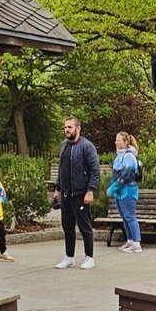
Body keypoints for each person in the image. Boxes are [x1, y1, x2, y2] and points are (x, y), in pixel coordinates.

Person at [53, 114, 100, 269]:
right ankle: (69, 257)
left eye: (70, 127)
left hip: (81, 193)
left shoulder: (87, 146)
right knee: (67, 226)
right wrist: (57, 188)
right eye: (65, 127)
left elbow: (94, 170)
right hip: (66, 194)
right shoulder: (64, 145)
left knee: (84, 226)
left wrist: (90, 190)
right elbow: (61, 169)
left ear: (78, 128)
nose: (67, 130)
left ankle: (89, 257)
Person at [108, 132, 144, 252]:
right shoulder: (119, 155)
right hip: (120, 191)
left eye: (118, 140)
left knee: (130, 217)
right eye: (116, 140)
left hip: (128, 190)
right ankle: (130, 241)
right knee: (124, 217)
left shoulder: (129, 156)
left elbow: (126, 174)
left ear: (125, 142)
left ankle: (136, 243)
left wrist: (113, 188)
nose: (116, 142)